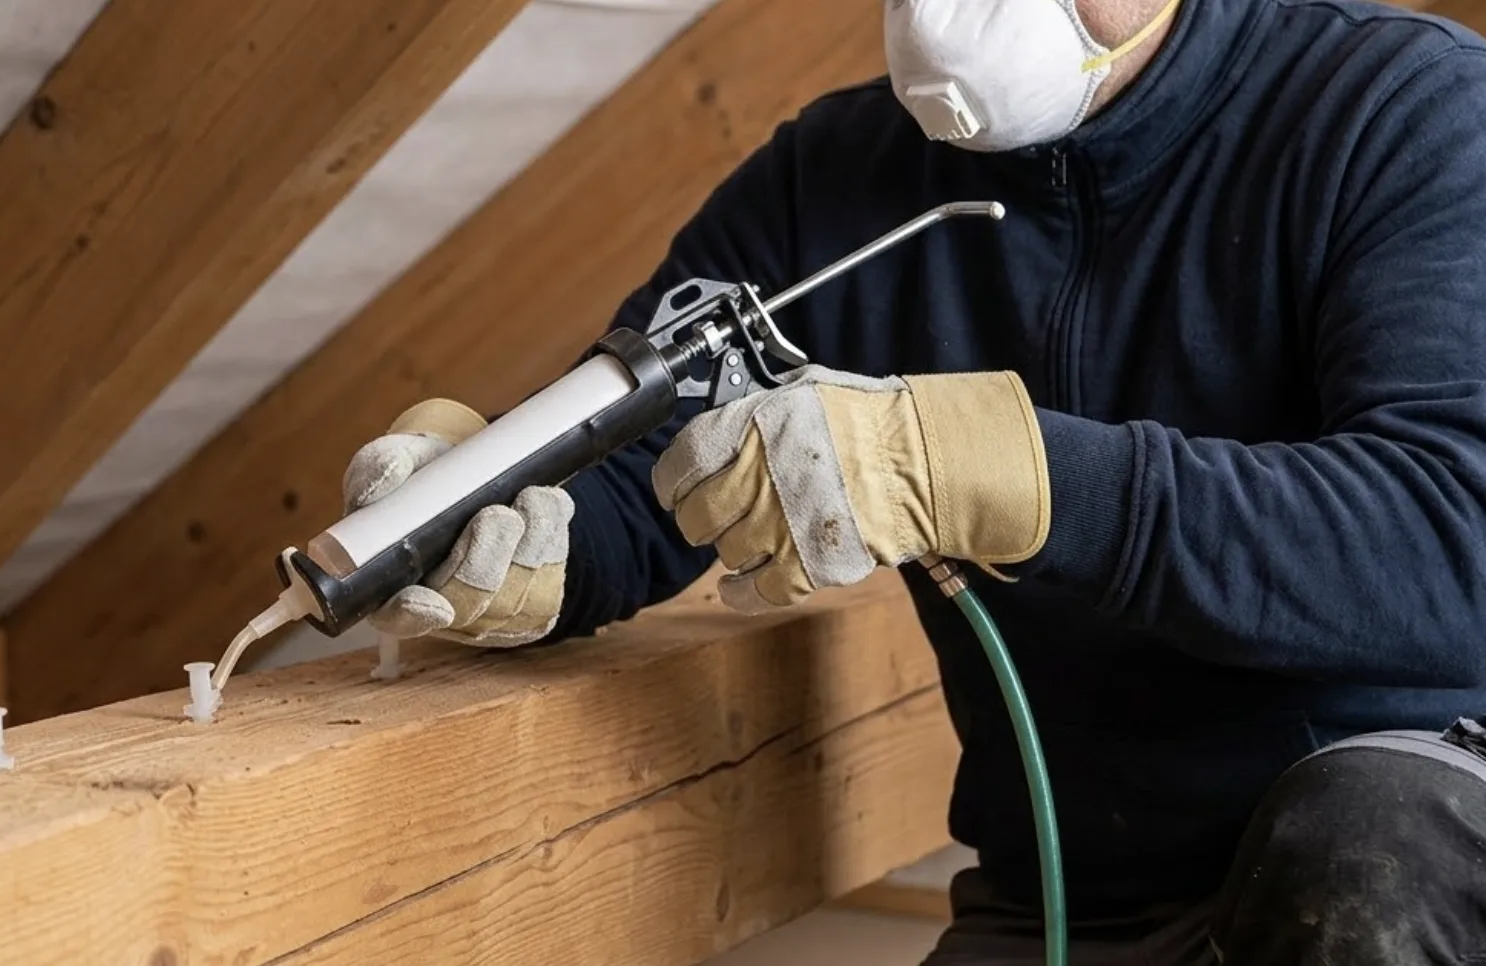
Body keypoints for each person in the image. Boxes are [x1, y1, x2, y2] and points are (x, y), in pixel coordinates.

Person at [341, 0, 1486, 962]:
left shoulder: (1401, 114)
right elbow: (647, 465)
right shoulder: (832, 184)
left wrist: (1015, 472)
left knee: (1362, 843)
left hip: (1398, 842)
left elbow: (1454, 536)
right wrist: (509, 528)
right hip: (1064, 897)